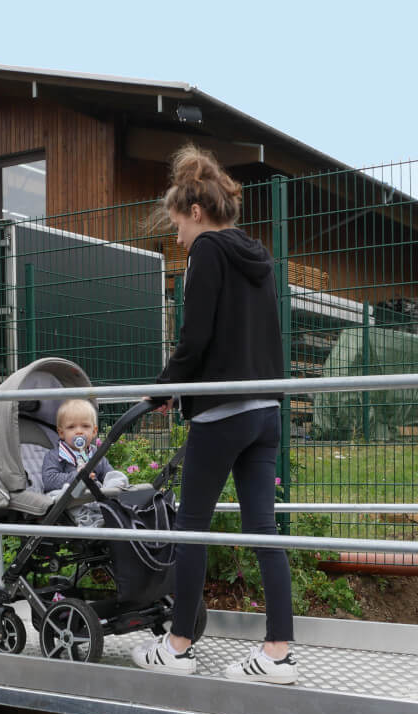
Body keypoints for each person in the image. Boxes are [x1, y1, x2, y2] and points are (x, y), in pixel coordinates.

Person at [132, 145, 297, 685]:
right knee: (264, 531)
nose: (177, 238)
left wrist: (161, 389)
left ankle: (178, 646)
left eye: (178, 225)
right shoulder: (257, 257)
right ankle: (277, 653)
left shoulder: (207, 253)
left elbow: (195, 337)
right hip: (265, 411)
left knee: (191, 527)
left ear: (196, 213)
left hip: (222, 413)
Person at [42, 398, 127, 526]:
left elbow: (107, 473)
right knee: (58, 494)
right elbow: (49, 480)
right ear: (61, 432)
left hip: (96, 496)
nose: (79, 431)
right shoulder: (55, 455)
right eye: (71, 427)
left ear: (94, 432)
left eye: (85, 426)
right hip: (73, 498)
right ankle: (87, 519)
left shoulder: (95, 455)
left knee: (115, 476)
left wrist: (110, 484)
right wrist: (77, 477)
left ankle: (111, 506)